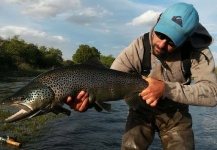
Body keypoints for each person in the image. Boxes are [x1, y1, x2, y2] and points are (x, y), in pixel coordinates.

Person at [66, 2, 217, 150]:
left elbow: (212, 94)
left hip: (176, 117)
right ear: (158, 21)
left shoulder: (199, 53)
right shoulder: (138, 47)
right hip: (140, 111)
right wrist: (89, 102)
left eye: (172, 41)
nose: (162, 44)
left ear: (186, 40)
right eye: (160, 34)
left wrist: (166, 89)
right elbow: (108, 82)